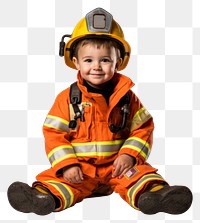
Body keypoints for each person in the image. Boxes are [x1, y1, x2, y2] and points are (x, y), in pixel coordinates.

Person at [7, 7, 193, 216]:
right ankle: (41, 197)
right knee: (58, 180)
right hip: (80, 171)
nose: (96, 66)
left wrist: (129, 155)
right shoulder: (66, 99)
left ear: (118, 62)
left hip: (119, 168)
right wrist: (67, 165)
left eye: (105, 60)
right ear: (75, 62)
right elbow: (53, 134)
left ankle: (156, 196)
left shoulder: (128, 98)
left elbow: (143, 129)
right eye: (88, 60)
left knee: (140, 174)